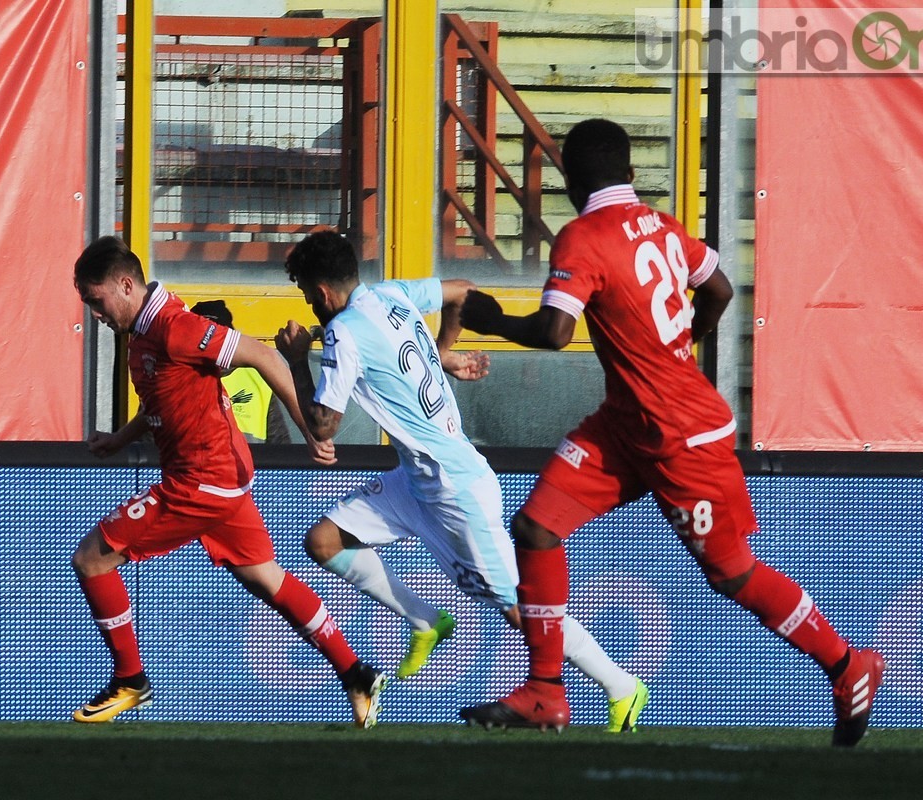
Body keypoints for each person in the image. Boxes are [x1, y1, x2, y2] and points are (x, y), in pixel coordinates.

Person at [457, 118, 884, 745]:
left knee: (732, 572)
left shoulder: (581, 237)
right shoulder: (661, 224)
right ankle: (545, 693)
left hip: (680, 432)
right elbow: (717, 286)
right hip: (628, 423)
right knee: (537, 526)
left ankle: (849, 666)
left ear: (570, 182)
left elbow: (554, 333)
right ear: (631, 174)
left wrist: (495, 321)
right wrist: (685, 343)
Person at [275, 229, 649, 733]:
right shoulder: (391, 295)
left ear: (320, 293)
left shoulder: (344, 331)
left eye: (304, 293)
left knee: (521, 607)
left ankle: (621, 684)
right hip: (419, 478)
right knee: (324, 541)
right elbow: (464, 290)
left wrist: (298, 361)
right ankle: (426, 619)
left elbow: (323, 425)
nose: (308, 304)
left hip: (454, 490)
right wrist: (440, 352)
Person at [70, 235, 385, 728]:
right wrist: (121, 438)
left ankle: (130, 679)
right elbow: (163, 398)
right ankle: (356, 672)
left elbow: (264, 357)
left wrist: (308, 431)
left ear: (126, 285)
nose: (94, 313)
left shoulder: (175, 327)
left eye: (95, 301)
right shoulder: (147, 329)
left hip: (201, 481)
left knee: (92, 558)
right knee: (265, 578)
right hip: (224, 479)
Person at [190, 300, 291, 445]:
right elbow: (149, 448)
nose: (209, 345)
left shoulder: (258, 381)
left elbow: (280, 449)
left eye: (218, 337)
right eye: (202, 338)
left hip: (249, 467)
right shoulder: (171, 379)